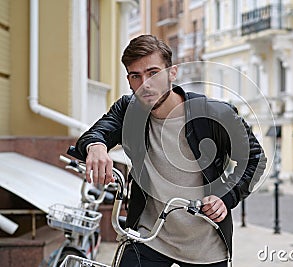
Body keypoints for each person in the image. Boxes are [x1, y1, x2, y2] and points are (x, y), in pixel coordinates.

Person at [75, 34, 267, 267]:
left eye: (153, 73)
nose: (145, 83)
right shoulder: (128, 110)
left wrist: (226, 197)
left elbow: (254, 158)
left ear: (172, 73)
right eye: (136, 76)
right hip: (149, 236)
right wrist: (95, 147)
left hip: (205, 244)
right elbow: (97, 133)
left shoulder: (214, 114)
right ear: (129, 80)